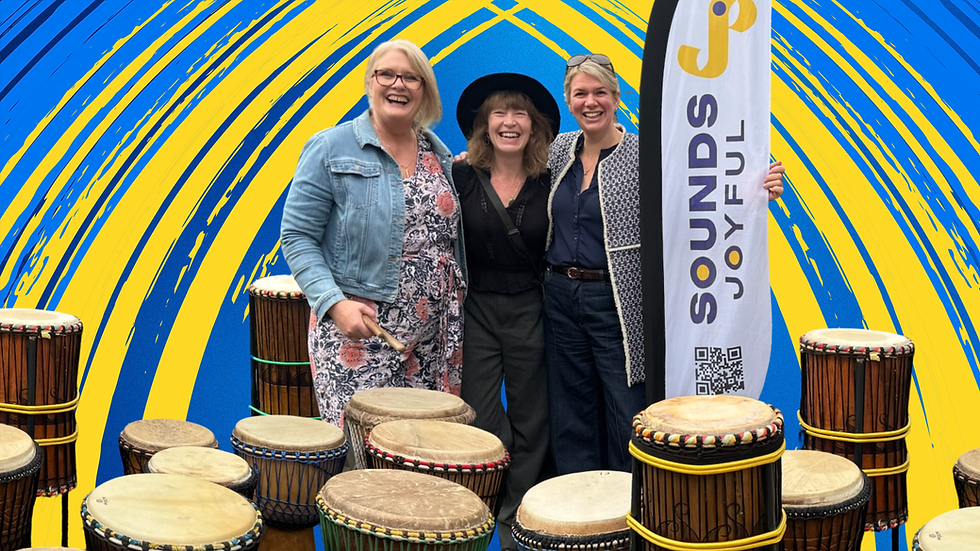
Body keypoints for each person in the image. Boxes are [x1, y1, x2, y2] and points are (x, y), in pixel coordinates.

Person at [544, 54, 784, 474]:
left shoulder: (645, 152)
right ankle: (583, 513)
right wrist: (466, 167)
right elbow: (512, 176)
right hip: (559, 296)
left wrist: (754, 188)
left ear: (616, 98)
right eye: (580, 93)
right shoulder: (558, 149)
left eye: (600, 91)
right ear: (568, 100)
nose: (590, 101)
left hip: (618, 301)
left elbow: (700, 192)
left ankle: (632, 508)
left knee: (627, 408)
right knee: (571, 411)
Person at [280, 39, 466, 427]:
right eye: (387, 74)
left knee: (422, 452)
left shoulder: (438, 152)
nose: (398, 84)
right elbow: (297, 236)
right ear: (369, 82)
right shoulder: (331, 146)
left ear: (424, 91)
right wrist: (333, 304)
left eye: (411, 78)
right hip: (359, 335)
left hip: (433, 341)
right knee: (363, 461)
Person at [453, 73, 560, 551]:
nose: (509, 122)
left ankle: (515, 519)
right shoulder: (459, 174)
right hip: (475, 308)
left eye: (520, 113)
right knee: (480, 415)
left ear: (535, 125)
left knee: (533, 417)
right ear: (483, 123)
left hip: (531, 308)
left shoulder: (552, 176)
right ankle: (485, 506)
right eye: (499, 112)